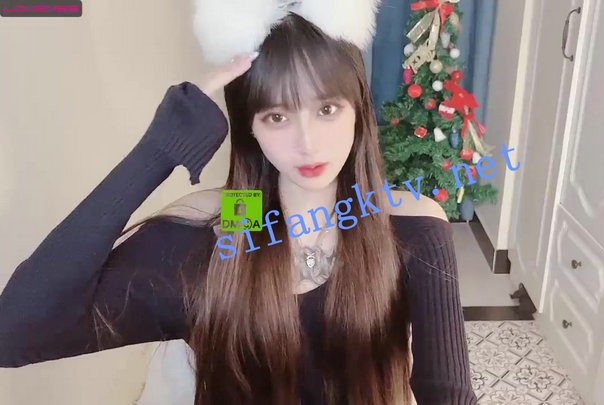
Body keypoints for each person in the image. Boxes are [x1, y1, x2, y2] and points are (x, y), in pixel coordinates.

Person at [0, 12, 477, 405]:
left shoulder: (412, 226)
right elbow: (14, 332)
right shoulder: (214, 229)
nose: (308, 143)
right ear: (250, 126)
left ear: (358, 110)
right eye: (277, 116)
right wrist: (157, 152)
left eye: (327, 109)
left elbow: (448, 394)